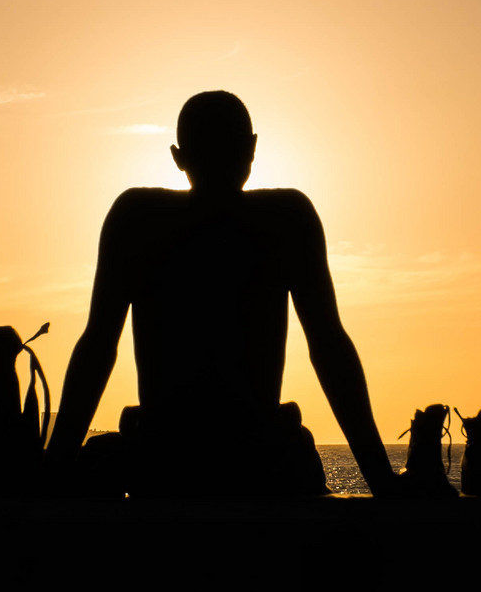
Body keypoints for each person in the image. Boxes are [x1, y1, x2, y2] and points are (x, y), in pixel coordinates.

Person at [44, 90, 406, 496]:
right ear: (252, 149)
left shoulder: (137, 219)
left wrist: (55, 468)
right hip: (260, 457)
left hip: (166, 456)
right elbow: (328, 346)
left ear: (178, 157)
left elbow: (97, 346)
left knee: (99, 460)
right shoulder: (287, 219)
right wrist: (382, 480)